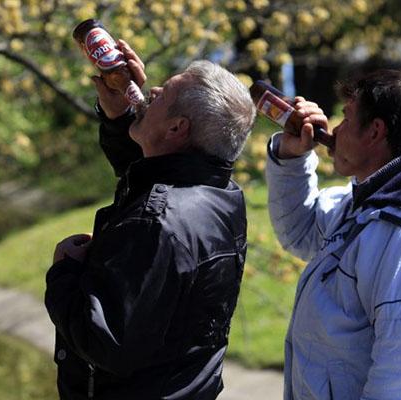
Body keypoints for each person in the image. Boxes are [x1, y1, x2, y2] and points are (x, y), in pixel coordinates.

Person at [44, 40, 256, 400]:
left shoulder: (155, 222)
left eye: (161, 95)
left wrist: (65, 271)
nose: (150, 90)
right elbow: (151, 175)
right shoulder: (219, 195)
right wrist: (121, 117)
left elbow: (102, 339)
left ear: (177, 129)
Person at [265, 69, 401, 399]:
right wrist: (292, 156)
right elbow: (300, 232)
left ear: (375, 132)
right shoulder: (369, 203)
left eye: (347, 119)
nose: (335, 131)